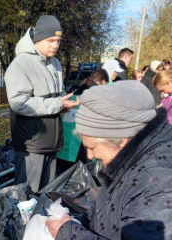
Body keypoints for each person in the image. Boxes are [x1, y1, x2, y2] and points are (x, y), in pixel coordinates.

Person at [46, 80, 172, 239]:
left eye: (91, 147)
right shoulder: (130, 161)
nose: (90, 156)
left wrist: (66, 233)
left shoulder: (160, 181)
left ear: (122, 139)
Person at [4, 15, 79, 193]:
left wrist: (66, 101)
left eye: (58, 41)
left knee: (47, 196)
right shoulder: (20, 64)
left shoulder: (55, 63)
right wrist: (58, 104)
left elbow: (57, 95)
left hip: (52, 142)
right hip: (32, 144)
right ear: (37, 39)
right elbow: (19, 103)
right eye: (51, 40)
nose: (55, 45)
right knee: (28, 199)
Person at [56, 69, 109, 174]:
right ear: (103, 81)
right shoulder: (94, 98)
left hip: (62, 148)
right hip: (81, 149)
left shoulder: (75, 95)